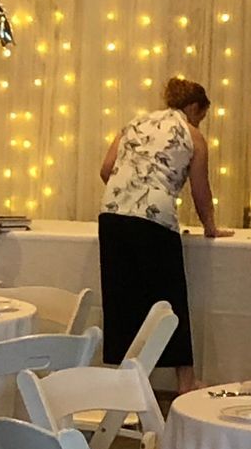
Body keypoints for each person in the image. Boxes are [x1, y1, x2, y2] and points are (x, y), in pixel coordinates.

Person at [97, 77, 226, 393]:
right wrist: (210, 226)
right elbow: (200, 190)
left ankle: (124, 382)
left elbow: (106, 169)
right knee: (170, 301)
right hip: (154, 219)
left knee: (122, 299)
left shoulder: (134, 123)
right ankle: (186, 380)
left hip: (112, 215)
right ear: (194, 107)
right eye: (201, 115)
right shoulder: (192, 136)